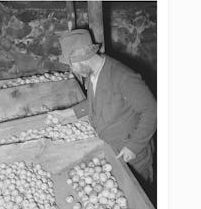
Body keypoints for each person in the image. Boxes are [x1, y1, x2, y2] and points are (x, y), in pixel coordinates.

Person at [53, 29, 157, 189]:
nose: (73, 70)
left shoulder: (123, 77)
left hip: (131, 156)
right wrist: (67, 114)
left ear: (83, 59)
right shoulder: (95, 73)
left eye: (72, 65)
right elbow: (96, 102)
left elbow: (152, 111)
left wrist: (134, 146)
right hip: (112, 149)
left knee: (139, 196)